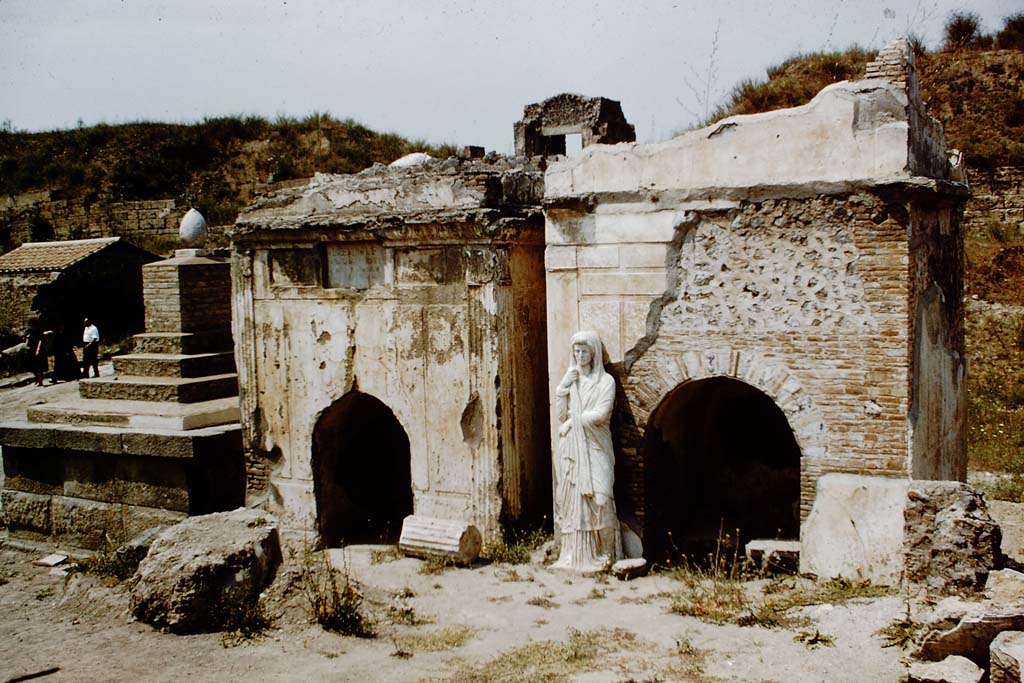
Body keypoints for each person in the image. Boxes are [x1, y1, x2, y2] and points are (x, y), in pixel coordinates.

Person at [552, 330, 622, 571]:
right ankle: (576, 555)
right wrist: (562, 388)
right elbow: (561, 415)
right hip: (572, 447)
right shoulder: (571, 381)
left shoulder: (605, 382)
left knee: (602, 497)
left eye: (584, 351)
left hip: (596, 444)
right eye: (577, 351)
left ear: (594, 353)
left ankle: (607, 553)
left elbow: (601, 414)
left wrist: (573, 422)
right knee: (574, 502)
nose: (580, 355)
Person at [25, 318, 47, 386]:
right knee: (32, 365)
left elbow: (41, 340)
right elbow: (26, 340)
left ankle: (40, 380)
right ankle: (37, 377)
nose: (31, 326)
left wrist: (38, 349)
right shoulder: (28, 331)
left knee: (39, 365)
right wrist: (26, 340)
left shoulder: (39, 331)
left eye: (32, 325)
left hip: (39, 349)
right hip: (31, 349)